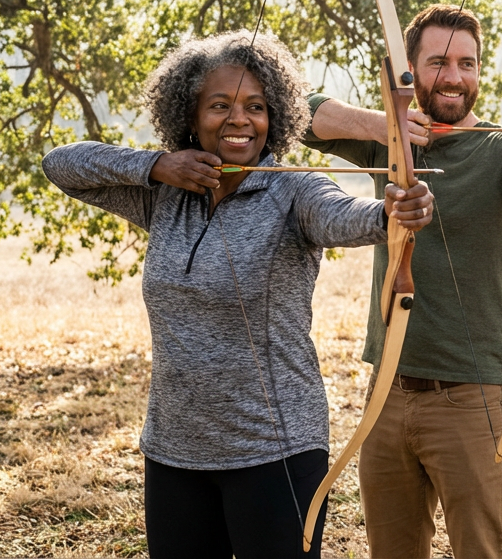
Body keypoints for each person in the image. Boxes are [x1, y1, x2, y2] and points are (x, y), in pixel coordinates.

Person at [41, 31, 435, 558]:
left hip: (274, 450)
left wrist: (395, 212)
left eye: (256, 106)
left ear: (276, 117)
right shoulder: (166, 196)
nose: (239, 120)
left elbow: (352, 217)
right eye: (219, 105)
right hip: (174, 448)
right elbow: (61, 165)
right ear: (189, 113)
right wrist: (158, 166)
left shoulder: (294, 189)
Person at [300, 3, 502, 558]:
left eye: (467, 63)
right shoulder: (389, 141)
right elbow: (298, 111)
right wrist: (382, 125)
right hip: (386, 394)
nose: (454, 77)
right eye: (437, 62)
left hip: (469, 400)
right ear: (409, 72)